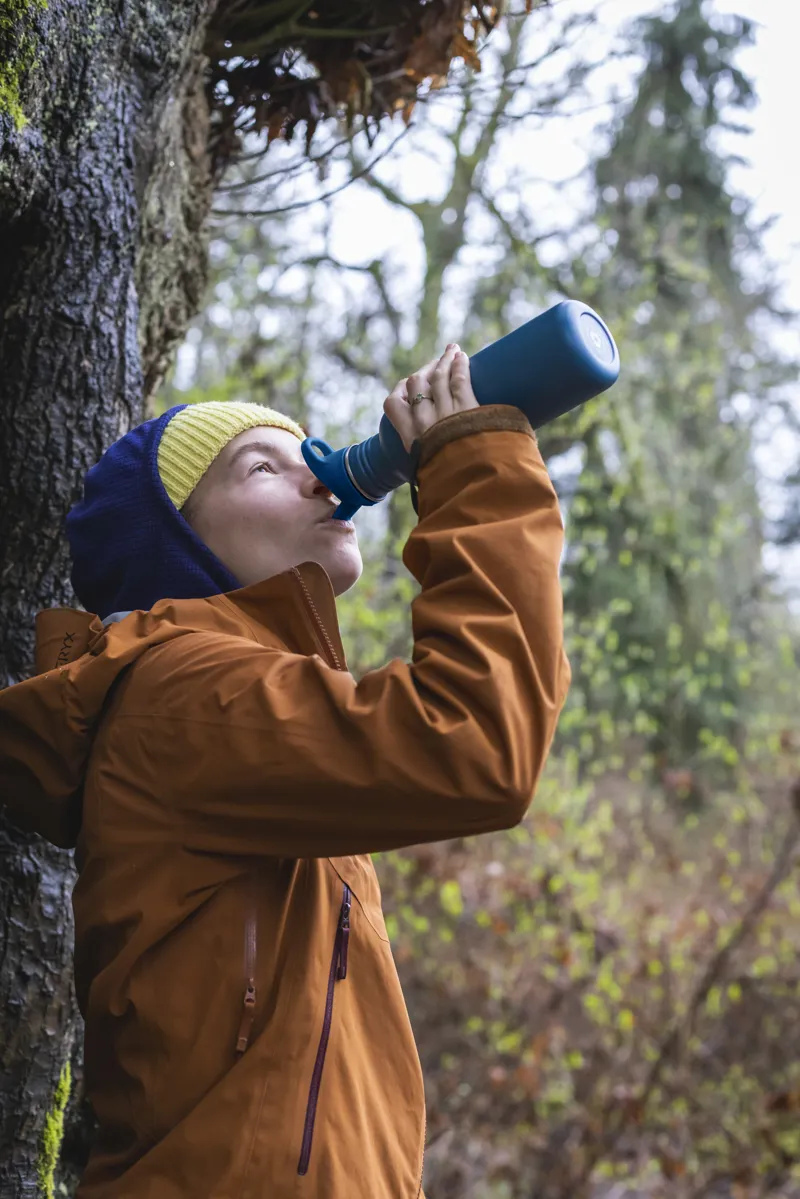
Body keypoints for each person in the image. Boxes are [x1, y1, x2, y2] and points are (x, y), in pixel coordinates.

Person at [0, 343, 571, 1198]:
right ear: (176, 543)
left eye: (308, 450)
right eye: (261, 465)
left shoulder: (247, 716)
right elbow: (476, 740)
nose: (317, 474)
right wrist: (475, 463)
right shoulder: (180, 694)